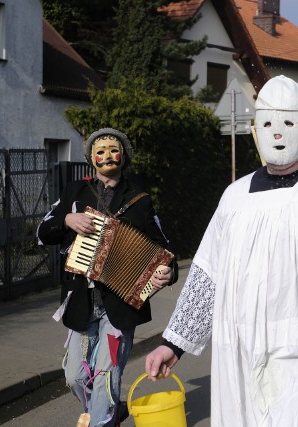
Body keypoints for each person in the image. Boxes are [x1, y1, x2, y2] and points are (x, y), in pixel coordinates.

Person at [144, 75, 298, 426]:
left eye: (288, 123)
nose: (277, 133)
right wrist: (174, 343)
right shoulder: (235, 197)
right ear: (255, 131)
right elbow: (208, 273)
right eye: (268, 124)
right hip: (246, 355)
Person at [37, 128, 178, 427]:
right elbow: (43, 231)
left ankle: (101, 419)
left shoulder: (139, 198)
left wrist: (168, 271)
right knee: (75, 375)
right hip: (81, 301)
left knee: (105, 375)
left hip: (120, 307)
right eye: (100, 151)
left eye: (113, 150)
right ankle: (110, 411)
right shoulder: (75, 192)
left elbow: (164, 247)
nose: (107, 156)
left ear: (123, 156)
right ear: (90, 158)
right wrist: (66, 219)